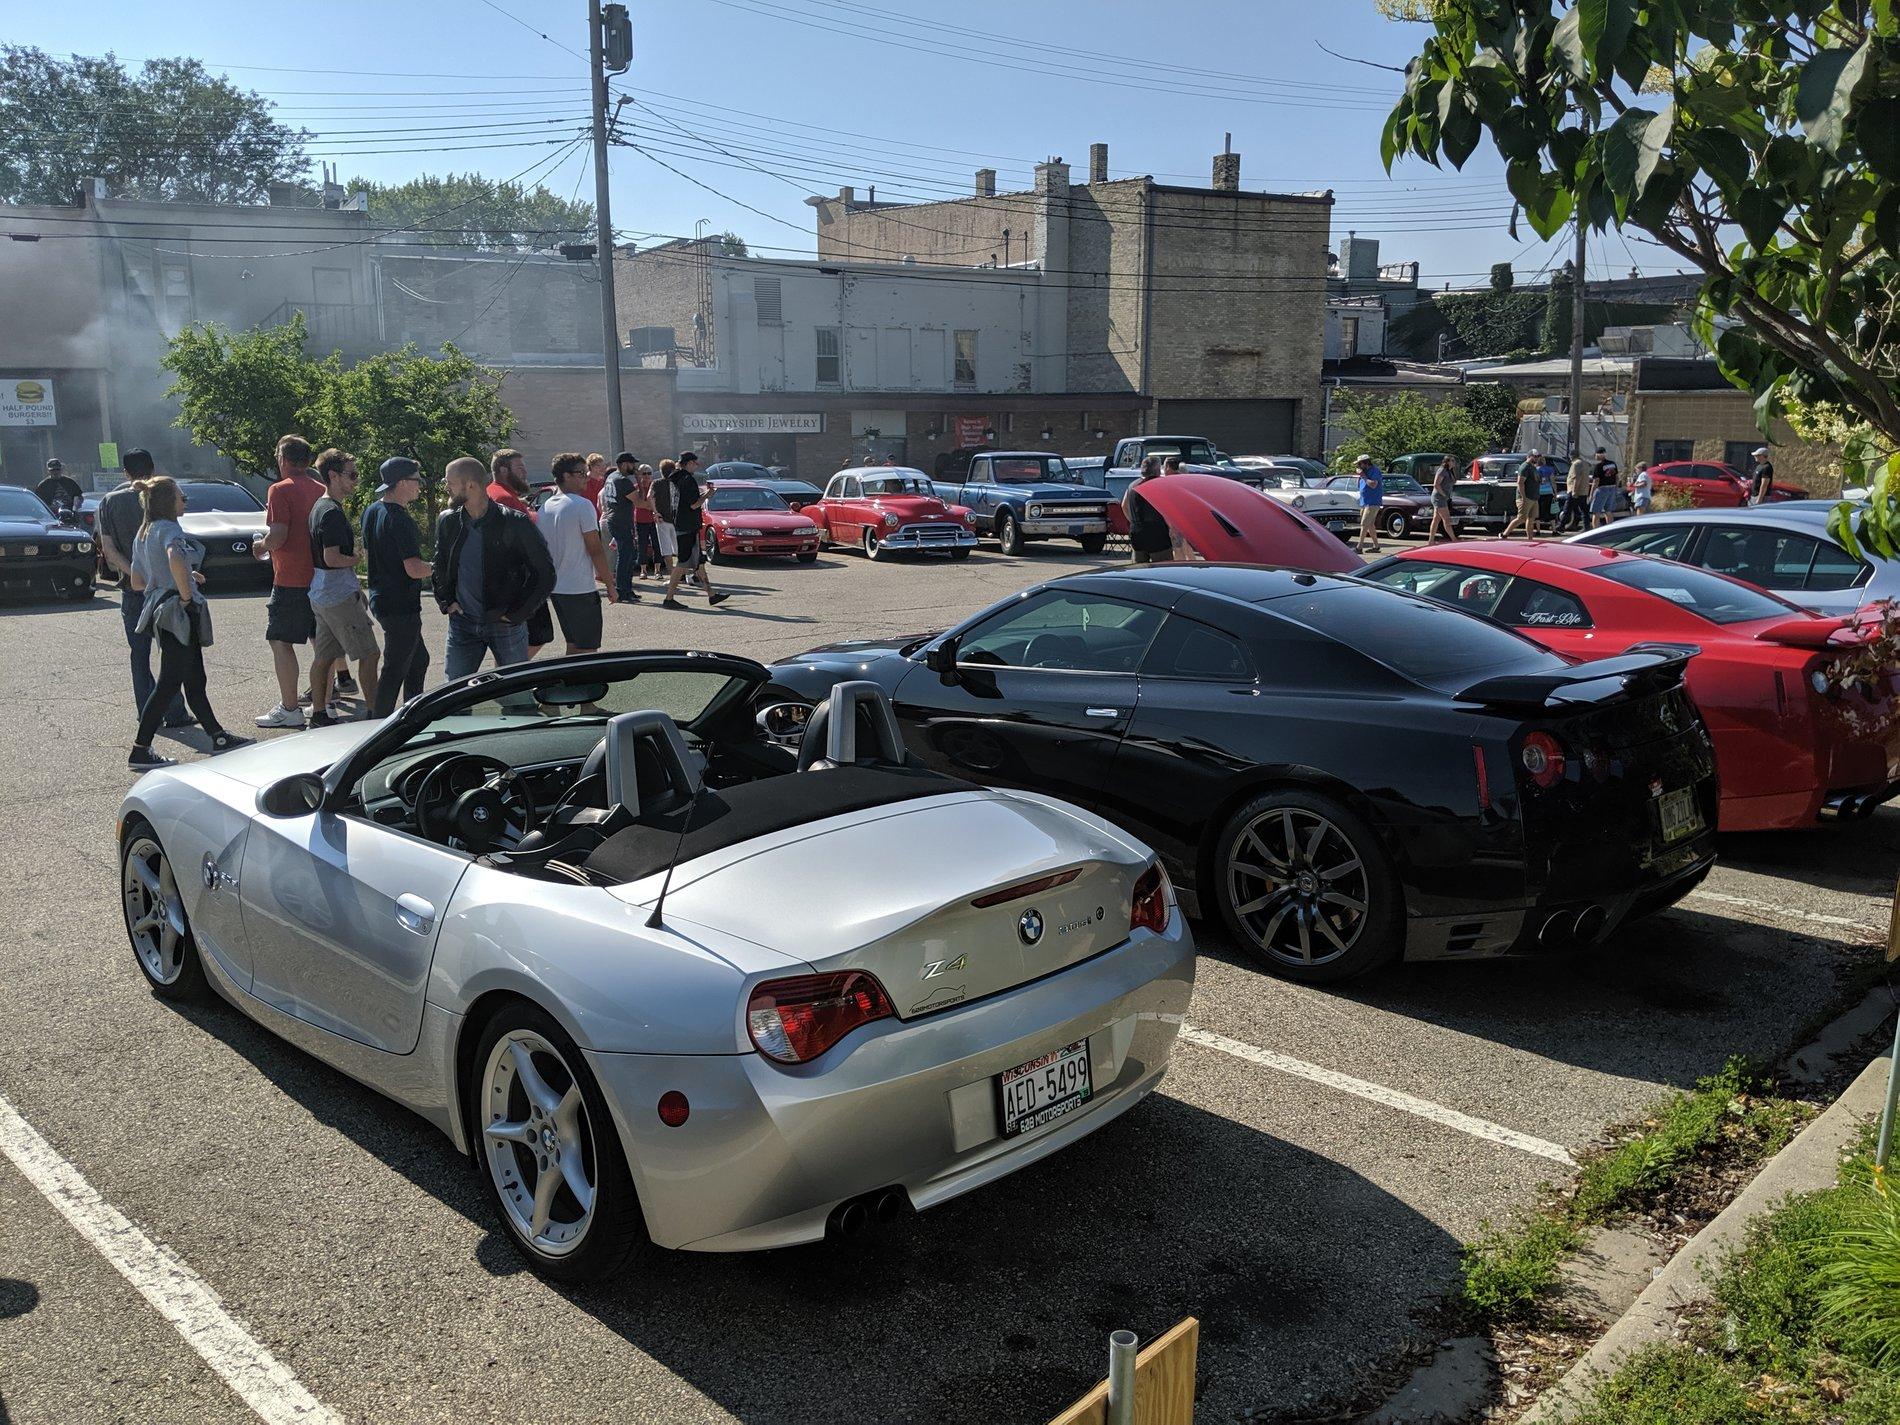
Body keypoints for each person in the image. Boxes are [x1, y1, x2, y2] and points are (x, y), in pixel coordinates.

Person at [128, 477, 249, 769]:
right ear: (169, 501)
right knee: (170, 682)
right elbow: (174, 557)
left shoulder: (143, 533)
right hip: (178, 612)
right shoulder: (170, 529)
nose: (185, 502)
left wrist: (180, 578)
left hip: (159, 608)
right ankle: (140, 749)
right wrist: (185, 594)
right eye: (183, 498)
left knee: (194, 677)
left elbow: (137, 581)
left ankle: (217, 735)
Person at [432, 456, 555, 679]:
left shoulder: (515, 522)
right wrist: (446, 601)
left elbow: (545, 574)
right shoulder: (448, 521)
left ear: (470, 484)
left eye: (450, 482)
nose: (446, 487)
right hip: (462, 624)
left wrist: (517, 613)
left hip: (504, 625)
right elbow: (440, 565)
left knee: (515, 694)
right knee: (454, 694)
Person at [96, 450, 188, 729]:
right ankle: (174, 712)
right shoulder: (162, 495)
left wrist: (138, 574)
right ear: (153, 467)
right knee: (171, 652)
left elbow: (109, 551)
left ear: (125, 472)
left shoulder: (108, 502)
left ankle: (147, 711)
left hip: (131, 588)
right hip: (165, 590)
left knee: (139, 653)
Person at [252, 434, 326, 729]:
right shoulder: (322, 489)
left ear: (283, 459)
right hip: (321, 577)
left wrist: (261, 546)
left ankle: (290, 707)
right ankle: (323, 703)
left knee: (280, 640)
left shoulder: (279, 490)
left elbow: (278, 535)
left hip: (291, 579)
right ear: (307, 460)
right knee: (321, 642)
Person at [305, 449, 379, 726]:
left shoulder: (319, 507)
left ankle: (319, 714)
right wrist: (356, 560)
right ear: (333, 476)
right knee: (370, 653)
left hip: (322, 592)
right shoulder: (331, 512)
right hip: (336, 595)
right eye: (352, 475)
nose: (355, 481)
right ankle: (375, 715)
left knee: (325, 656)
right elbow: (331, 557)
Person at [362, 458, 433, 720]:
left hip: (381, 598)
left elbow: (369, 553)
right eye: (417, 481)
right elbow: (414, 569)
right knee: (395, 668)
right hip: (400, 604)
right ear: (402, 483)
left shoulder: (372, 510)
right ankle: (378, 726)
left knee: (419, 660)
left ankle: (411, 716)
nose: (419, 487)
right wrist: (441, 566)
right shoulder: (401, 520)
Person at [542, 452, 622, 655]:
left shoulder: (546, 506)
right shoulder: (581, 505)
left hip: (557, 589)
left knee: (573, 645)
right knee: (588, 649)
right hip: (579, 589)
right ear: (566, 476)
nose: (586, 477)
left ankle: (570, 685)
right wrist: (611, 585)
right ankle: (583, 686)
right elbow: (595, 550)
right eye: (580, 473)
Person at [486, 448, 554, 659]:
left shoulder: (495, 493)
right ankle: (510, 677)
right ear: (504, 470)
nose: (525, 472)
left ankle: (509, 673)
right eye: (520, 467)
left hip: (512, 583)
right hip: (521, 583)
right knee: (539, 635)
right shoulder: (504, 499)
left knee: (536, 635)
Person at [662, 452, 728, 609]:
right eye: (695, 463)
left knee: (698, 563)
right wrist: (707, 495)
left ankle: (711, 595)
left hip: (681, 524)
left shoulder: (674, 479)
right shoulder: (687, 479)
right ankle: (669, 598)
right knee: (683, 564)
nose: (697, 466)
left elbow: (684, 502)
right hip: (688, 527)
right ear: (689, 463)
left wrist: (703, 495)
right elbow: (693, 505)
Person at [600, 451, 639, 599]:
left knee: (627, 555)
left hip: (614, 519)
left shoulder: (611, 477)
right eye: (631, 463)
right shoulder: (623, 480)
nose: (634, 466)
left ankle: (626, 589)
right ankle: (622, 589)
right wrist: (640, 482)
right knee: (625, 556)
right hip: (621, 521)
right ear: (623, 464)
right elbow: (639, 501)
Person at [1124, 455, 1173, 564]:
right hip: (1157, 533)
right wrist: (1173, 529)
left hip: (1137, 532)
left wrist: (1133, 521)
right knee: (1164, 568)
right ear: (1156, 470)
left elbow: (1124, 505)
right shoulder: (1160, 485)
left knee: (1139, 569)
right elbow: (1166, 510)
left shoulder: (1132, 485)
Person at [1502, 450, 1543, 539]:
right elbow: (1520, 483)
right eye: (1535, 456)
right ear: (1529, 456)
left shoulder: (1533, 467)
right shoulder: (1524, 467)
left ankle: (1530, 539)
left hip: (1534, 498)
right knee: (1521, 518)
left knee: (1531, 519)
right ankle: (1504, 534)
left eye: (1538, 456)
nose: (1537, 458)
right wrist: (1523, 497)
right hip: (1525, 497)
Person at [650, 458, 681, 576]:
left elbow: (650, 497)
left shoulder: (656, 483)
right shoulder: (677, 483)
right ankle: (682, 573)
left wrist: (655, 512)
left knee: (665, 548)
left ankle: (672, 573)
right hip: (676, 519)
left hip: (662, 519)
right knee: (678, 547)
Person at [1354, 454, 1386, 554]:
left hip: (1373, 502)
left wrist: (1363, 476)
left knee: (1364, 524)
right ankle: (1376, 546)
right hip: (1365, 502)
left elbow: (1373, 484)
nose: (1358, 466)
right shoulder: (1365, 473)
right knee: (1370, 525)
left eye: (1359, 464)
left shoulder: (1374, 471)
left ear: (1365, 463)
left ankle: (1359, 547)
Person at [1427, 454, 1460, 544]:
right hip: (1439, 497)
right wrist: (1444, 494)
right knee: (1447, 519)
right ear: (1447, 462)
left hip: (1443, 497)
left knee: (1436, 519)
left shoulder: (1450, 471)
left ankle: (1431, 540)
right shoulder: (1442, 470)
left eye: (1454, 461)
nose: (1454, 463)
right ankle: (1454, 540)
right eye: (1452, 461)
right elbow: (1436, 484)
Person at [1589, 456, 1623, 528]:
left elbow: (1596, 481)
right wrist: (1616, 488)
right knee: (1608, 511)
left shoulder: (1598, 466)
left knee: (1596, 511)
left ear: (1598, 455)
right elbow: (1617, 477)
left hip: (1602, 488)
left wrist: (1591, 494)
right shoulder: (1613, 464)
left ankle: (1595, 531)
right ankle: (1610, 529)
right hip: (1612, 488)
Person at [1562, 453, 1591, 532]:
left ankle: (1561, 525)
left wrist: (1574, 491)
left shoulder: (1576, 464)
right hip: (1584, 491)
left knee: (1567, 508)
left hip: (1575, 491)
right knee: (1583, 510)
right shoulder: (1585, 463)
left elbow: (1576, 478)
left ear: (1571, 457)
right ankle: (1586, 527)